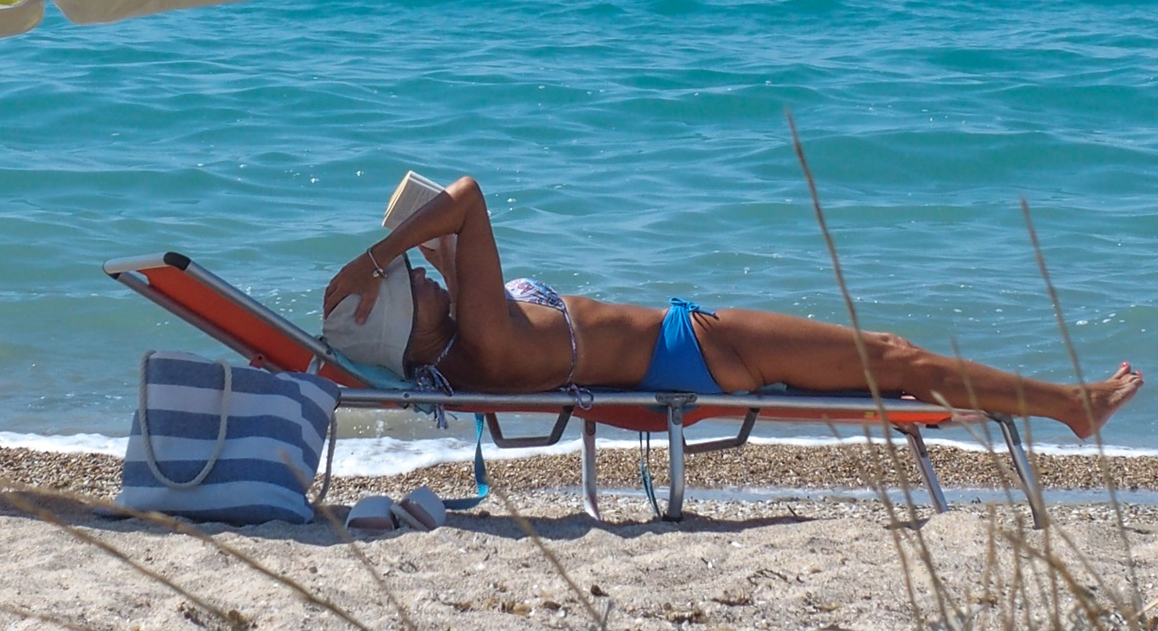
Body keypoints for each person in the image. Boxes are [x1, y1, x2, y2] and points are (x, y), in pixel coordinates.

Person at [321, 176, 1142, 438]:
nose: (423, 281)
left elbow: (443, 222)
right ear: (412, 329)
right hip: (699, 353)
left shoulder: (462, 344)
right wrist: (375, 258)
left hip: (682, 349)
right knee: (894, 359)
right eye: (411, 292)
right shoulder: (486, 339)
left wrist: (394, 253)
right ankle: (1073, 408)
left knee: (892, 371)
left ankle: (1065, 405)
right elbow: (466, 196)